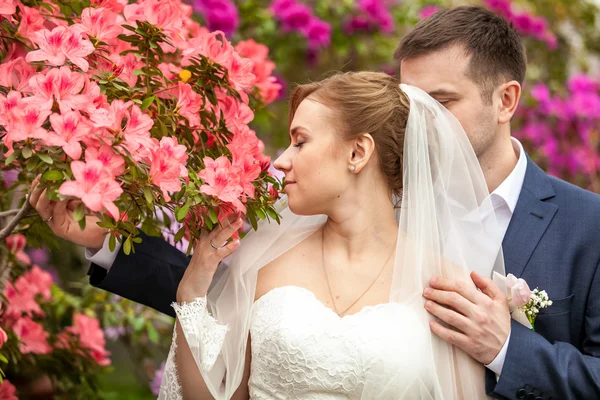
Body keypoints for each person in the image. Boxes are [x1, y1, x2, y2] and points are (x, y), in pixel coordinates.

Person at [30, 6, 600, 399]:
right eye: (410, 100)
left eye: (440, 101)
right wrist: (110, 242)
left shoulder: (587, 227)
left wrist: (506, 348)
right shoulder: (357, 203)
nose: (418, 120)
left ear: (506, 100)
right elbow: (224, 309)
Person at [158, 71, 504, 399]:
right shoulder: (263, 264)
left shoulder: (445, 287)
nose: (281, 162)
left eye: (300, 142)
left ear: (357, 153)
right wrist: (192, 288)